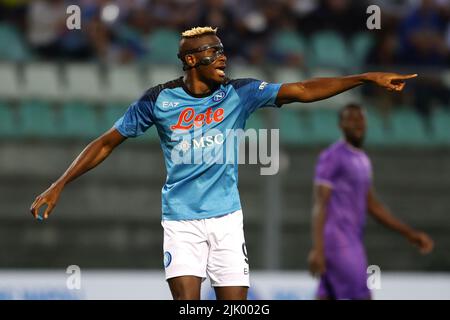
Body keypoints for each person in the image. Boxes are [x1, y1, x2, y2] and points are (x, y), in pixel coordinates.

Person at [30, 26, 418, 300]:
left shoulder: (240, 92)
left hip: (227, 221)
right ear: (190, 60)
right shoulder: (158, 100)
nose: (222, 57)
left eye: (222, 50)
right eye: (213, 52)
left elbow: (302, 89)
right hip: (180, 222)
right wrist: (60, 183)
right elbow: (106, 142)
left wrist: (364, 77)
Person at [308, 103, 434, 300]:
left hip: (350, 241)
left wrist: (409, 233)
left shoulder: (363, 159)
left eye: (360, 119)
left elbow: (372, 205)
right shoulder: (332, 157)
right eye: (351, 119)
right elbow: (320, 203)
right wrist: (317, 249)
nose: (357, 124)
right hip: (340, 245)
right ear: (341, 125)